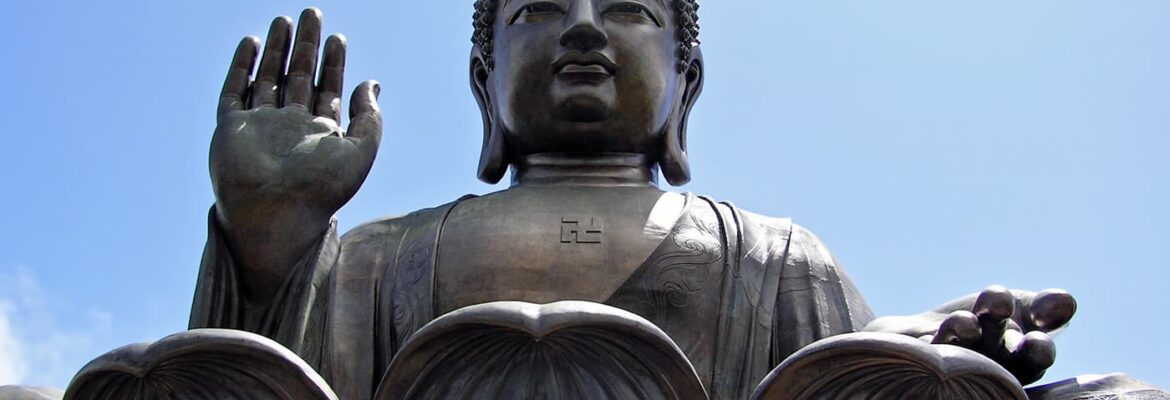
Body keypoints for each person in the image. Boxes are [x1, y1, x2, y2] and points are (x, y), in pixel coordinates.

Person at [192, 3, 1076, 399]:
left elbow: (828, 385)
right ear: (483, 78)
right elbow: (253, 389)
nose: (582, 26)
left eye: (627, 9)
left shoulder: (778, 261)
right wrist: (268, 247)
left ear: (684, 84)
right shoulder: (372, 258)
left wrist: (911, 364)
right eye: (536, 9)